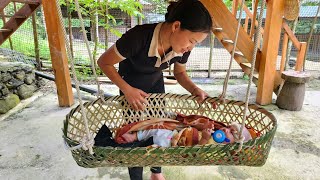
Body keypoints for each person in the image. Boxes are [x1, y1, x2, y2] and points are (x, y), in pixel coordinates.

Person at [97, 0, 213, 179]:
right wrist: (127, 90)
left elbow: (180, 73)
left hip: (156, 84)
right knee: (134, 134)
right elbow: (104, 62)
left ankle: (156, 172)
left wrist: (195, 89)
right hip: (131, 86)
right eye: (192, 40)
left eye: (195, 43)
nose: (191, 47)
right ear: (176, 26)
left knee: (161, 126)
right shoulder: (139, 37)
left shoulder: (183, 48)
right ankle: (136, 177)